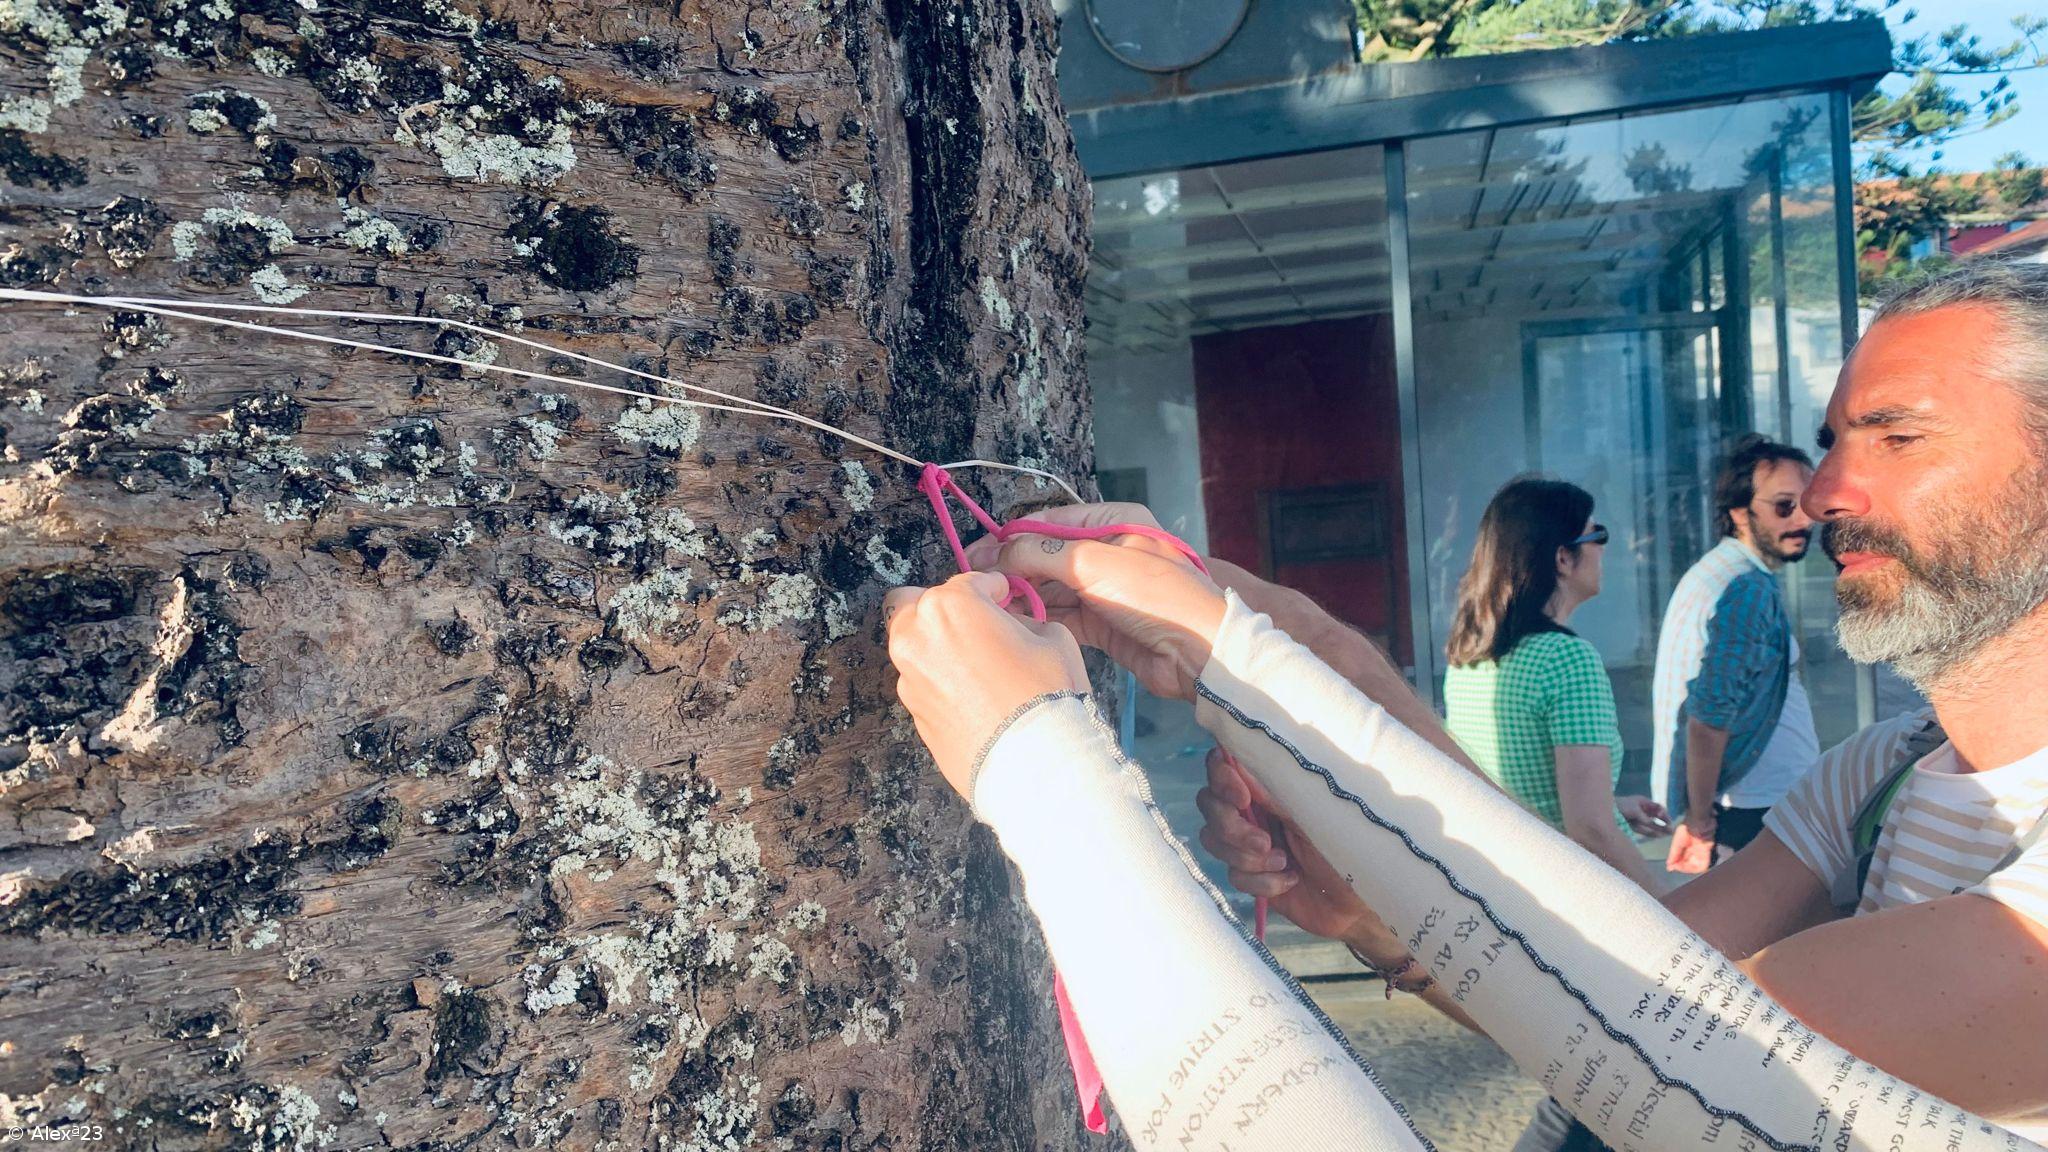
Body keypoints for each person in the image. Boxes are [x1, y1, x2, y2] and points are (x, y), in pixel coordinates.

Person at [879, 260, 2048, 1150]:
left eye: (1897, 437)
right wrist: (1363, 875)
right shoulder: (1880, 771)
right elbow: (1633, 968)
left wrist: (1047, 771)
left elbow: (1667, 1055)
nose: (1830, 490)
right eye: (1836, 437)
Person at [1442, 476, 1667, 892]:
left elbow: (1517, 787)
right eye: (1597, 535)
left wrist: (1615, 806)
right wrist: (1670, 914)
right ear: (1563, 558)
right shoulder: (1567, 659)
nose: (1603, 548)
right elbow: (1590, 828)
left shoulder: (1469, 654)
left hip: (1512, 884)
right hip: (1575, 891)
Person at [1653, 436, 1820, 872]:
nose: (1803, 519)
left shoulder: (1719, 572)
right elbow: (1708, 718)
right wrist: (1700, 819)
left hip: (1750, 806)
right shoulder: (1745, 588)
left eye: (1809, 504)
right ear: (1739, 514)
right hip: (1751, 812)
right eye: (1785, 506)